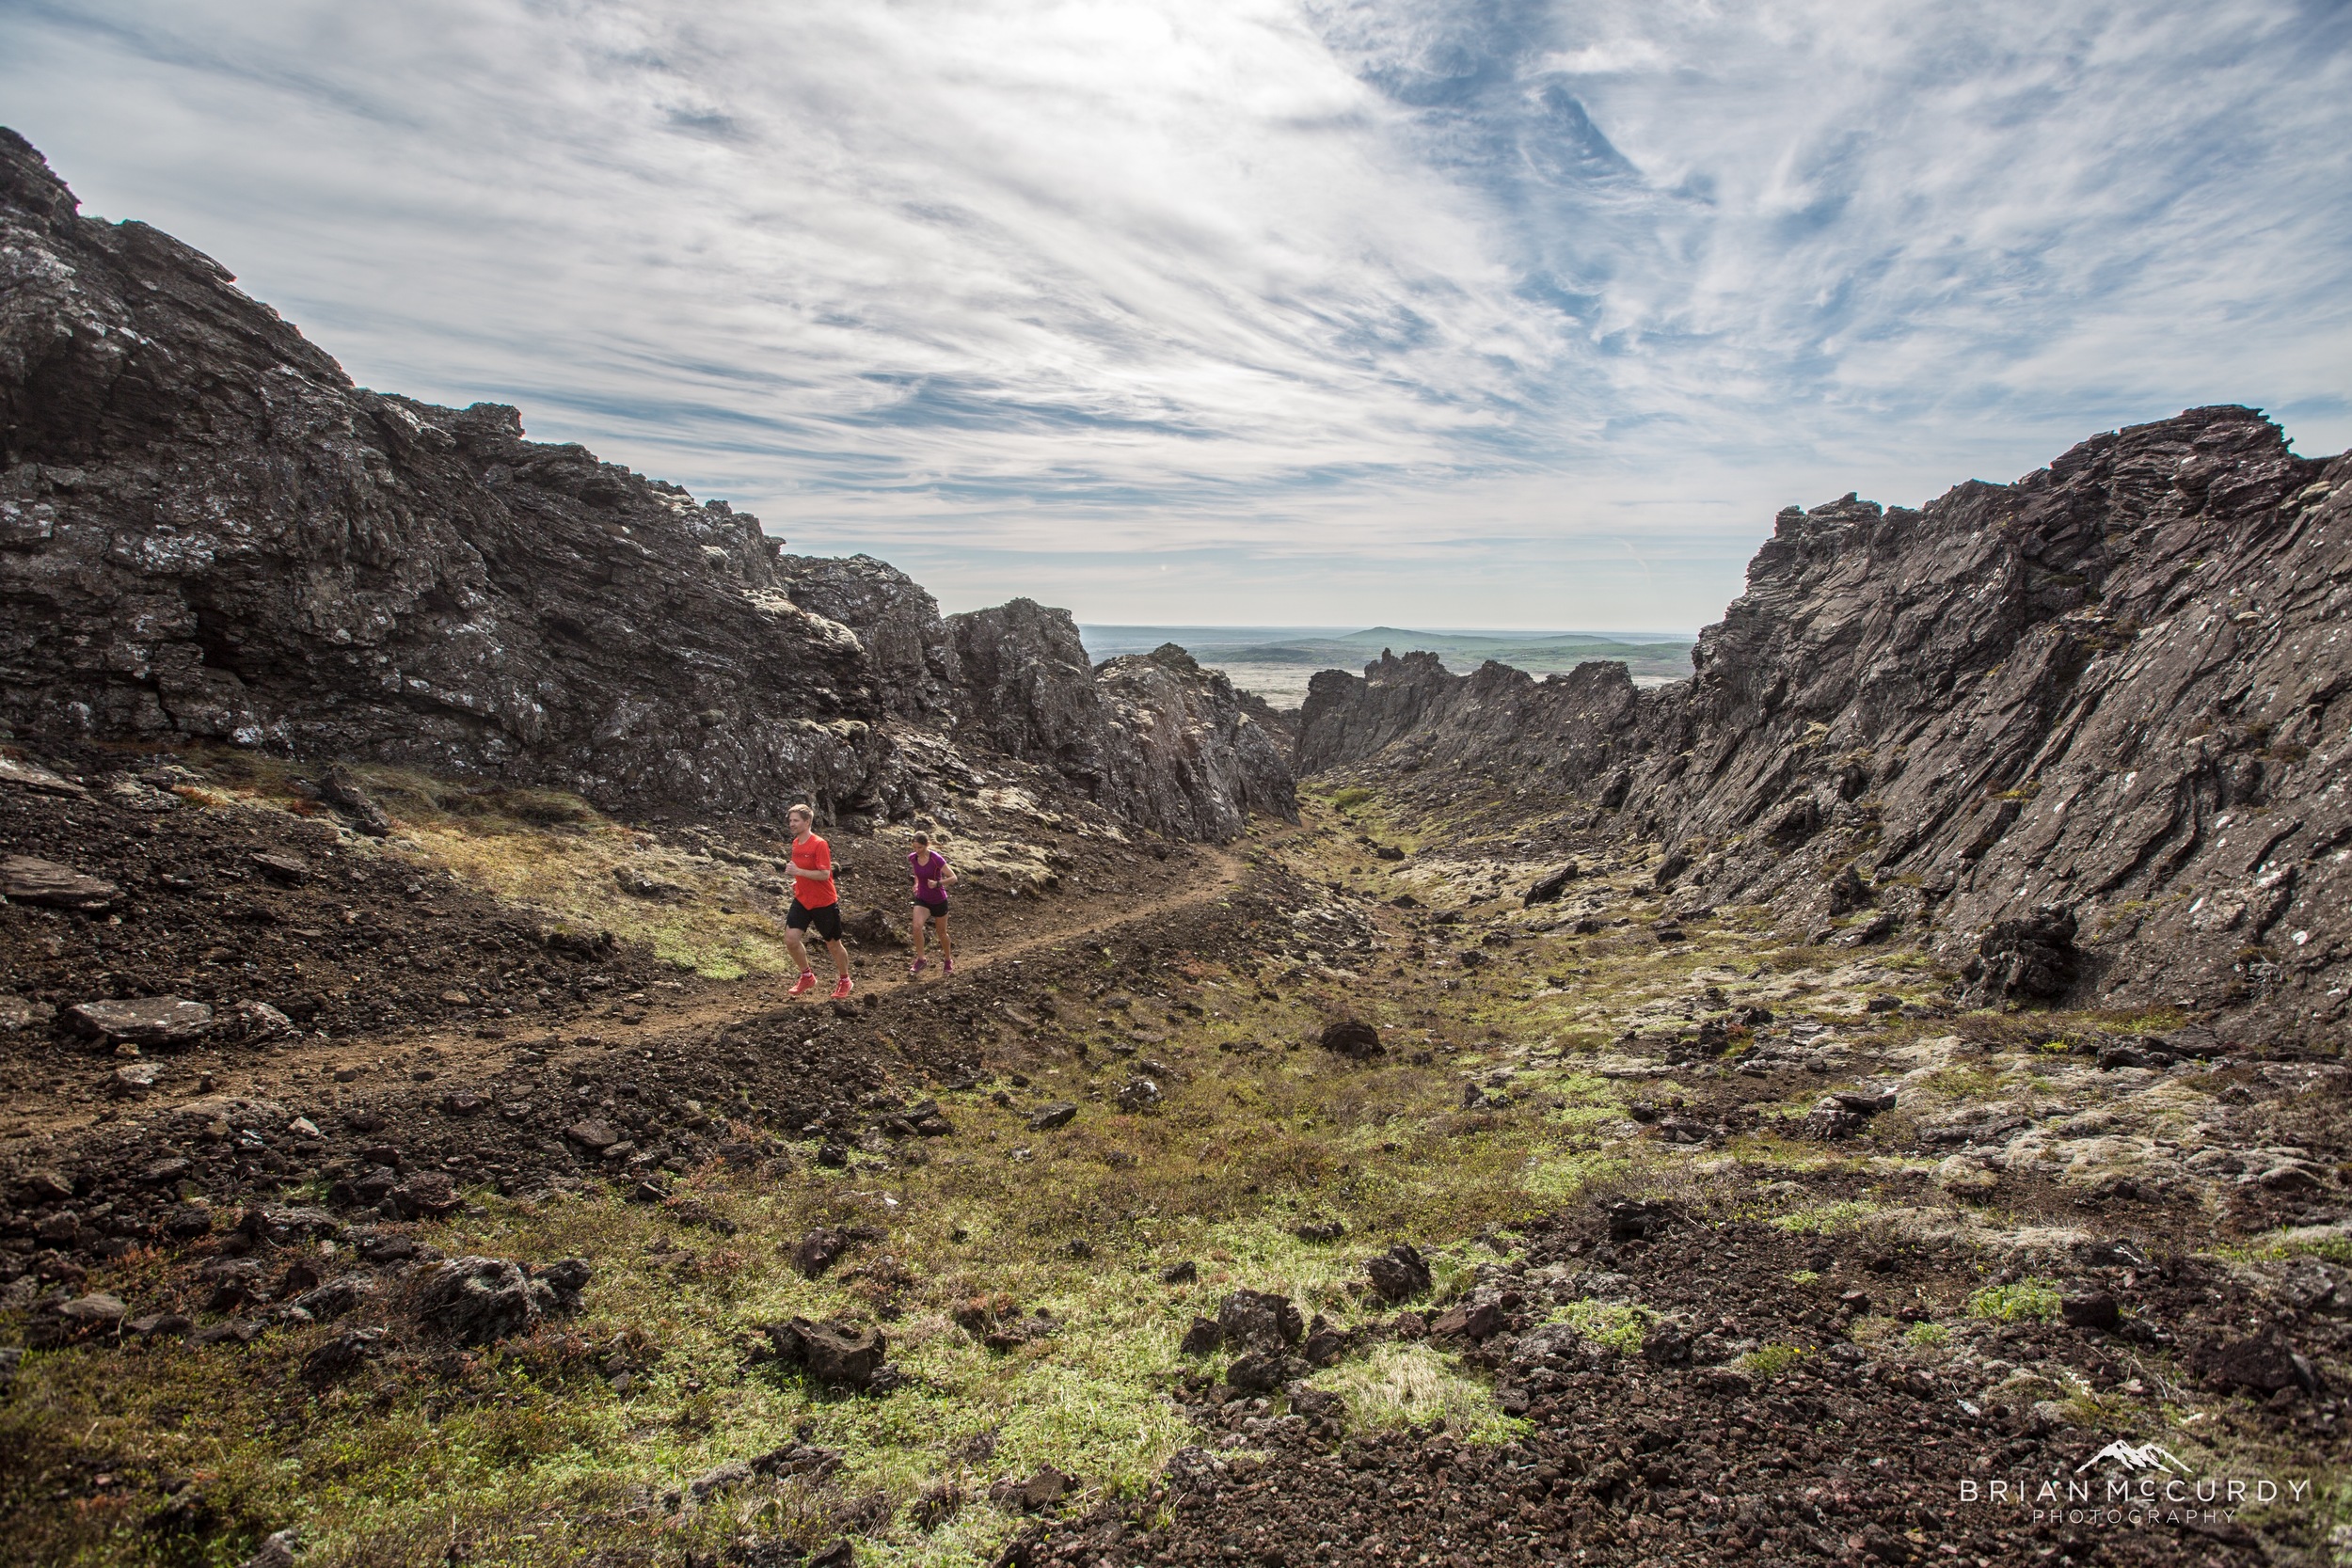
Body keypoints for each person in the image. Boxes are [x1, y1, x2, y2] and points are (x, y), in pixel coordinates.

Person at [783, 802, 851, 1000]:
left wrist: (799, 872)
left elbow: (824, 874)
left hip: (824, 902)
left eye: (796, 820)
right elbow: (804, 869)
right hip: (802, 900)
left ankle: (845, 980)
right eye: (790, 820)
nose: (792, 824)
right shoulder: (796, 843)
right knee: (791, 940)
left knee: (833, 944)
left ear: (807, 821)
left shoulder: (819, 844)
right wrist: (798, 881)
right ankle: (807, 976)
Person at [906, 831, 958, 977]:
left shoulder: (936, 859)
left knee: (941, 933)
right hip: (922, 898)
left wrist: (937, 883)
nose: (917, 851)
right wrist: (917, 883)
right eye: (914, 848)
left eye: (920, 848)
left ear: (927, 845)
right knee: (916, 927)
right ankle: (921, 959)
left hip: (939, 899)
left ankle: (948, 960)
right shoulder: (913, 858)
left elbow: (953, 877)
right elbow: (917, 873)